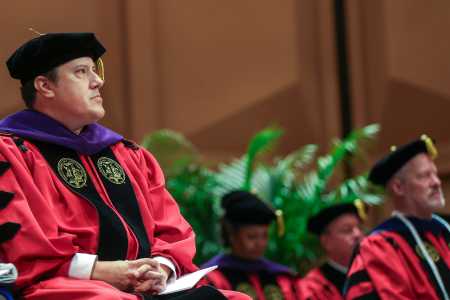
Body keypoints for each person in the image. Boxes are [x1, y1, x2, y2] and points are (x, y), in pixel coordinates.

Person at [0, 32, 251, 300]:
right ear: (45, 86)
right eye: (81, 72)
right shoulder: (12, 155)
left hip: (146, 288)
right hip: (64, 285)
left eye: (95, 72)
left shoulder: (127, 155)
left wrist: (162, 269)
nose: (98, 82)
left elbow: (171, 230)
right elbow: (26, 248)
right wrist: (103, 272)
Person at [344, 136, 450, 299]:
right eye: (424, 176)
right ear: (399, 187)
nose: (436, 182)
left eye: (435, 174)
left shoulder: (445, 231)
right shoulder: (378, 247)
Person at [201, 190, 301, 299]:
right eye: (252, 236)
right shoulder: (213, 277)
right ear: (232, 235)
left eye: (265, 236)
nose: (260, 243)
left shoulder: (281, 277)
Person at [299, 203, 364, 300]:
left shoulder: (374, 274)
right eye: (347, 230)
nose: (357, 234)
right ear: (326, 241)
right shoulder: (312, 287)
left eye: (359, 228)